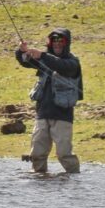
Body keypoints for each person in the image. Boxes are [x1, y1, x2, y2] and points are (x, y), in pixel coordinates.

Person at [15, 28, 83, 174]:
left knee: (64, 155)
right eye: (54, 41)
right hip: (42, 114)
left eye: (60, 41)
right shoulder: (44, 60)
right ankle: (39, 178)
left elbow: (60, 65)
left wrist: (42, 55)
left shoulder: (72, 63)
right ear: (50, 43)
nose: (57, 43)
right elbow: (25, 62)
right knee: (37, 154)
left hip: (62, 116)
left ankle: (74, 179)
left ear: (66, 43)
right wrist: (22, 51)